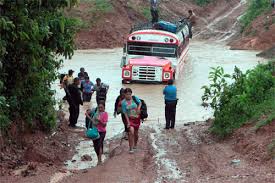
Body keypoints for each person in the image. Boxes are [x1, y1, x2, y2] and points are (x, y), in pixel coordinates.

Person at [122, 88, 142, 154]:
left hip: (137, 118)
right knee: (131, 132)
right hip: (130, 119)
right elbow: (125, 113)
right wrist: (127, 122)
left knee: (136, 133)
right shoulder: (123, 103)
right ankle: (130, 148)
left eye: (130, 94)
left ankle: (135, 144)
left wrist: (138, 108)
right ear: (124, 94)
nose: (128, 96)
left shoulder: (134, 98)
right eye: (127, 94)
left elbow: (140, 103)